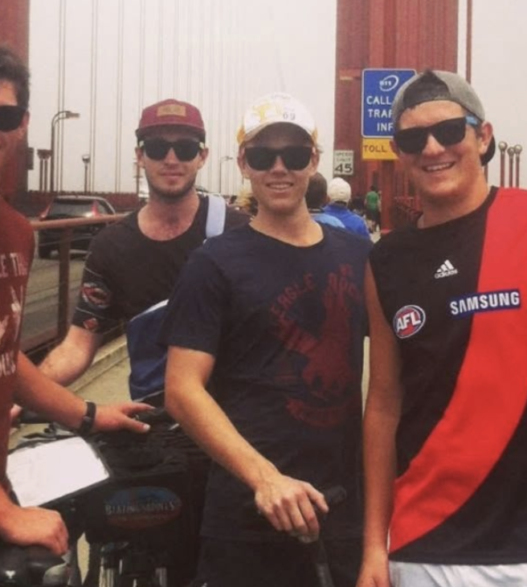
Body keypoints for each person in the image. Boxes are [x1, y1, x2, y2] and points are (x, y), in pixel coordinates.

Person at [161, 91, 371, 587]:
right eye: (262, 155)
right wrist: (265, 478)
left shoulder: (358, 256)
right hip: (247, 517)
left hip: (343, 513)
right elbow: (182, 390)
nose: (279, 168)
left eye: (294, 155)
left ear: (313, 162)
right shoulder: (213, 264)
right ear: (243, 163)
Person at [356, 69, 527, 587]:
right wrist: (373, 546)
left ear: (483, 136)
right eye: (413, 139)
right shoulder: (387, 262)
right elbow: (383, 405)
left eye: (450, 131)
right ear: (398, 152)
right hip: (427, 543)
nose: (432, 148)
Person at [0, 45, 150, 556]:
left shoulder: (16, 233)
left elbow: (6, 356)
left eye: (5, 116)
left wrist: (87, 415)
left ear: (23, 123)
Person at [38, 97, 247, 402]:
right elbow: (77, 346)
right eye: (157, 148)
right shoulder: (110, 246)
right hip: (156, 417)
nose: (171, 159)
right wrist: (19, 396)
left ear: (202, 156)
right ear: (139, 156)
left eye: (186, 148)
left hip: (234, 411)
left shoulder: (240, 231)